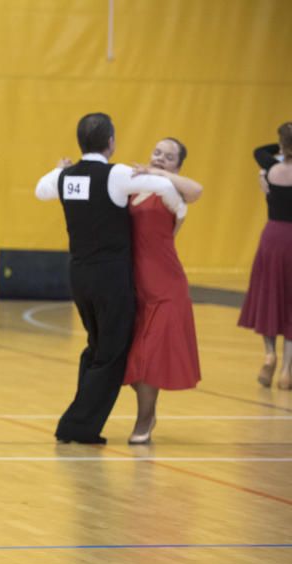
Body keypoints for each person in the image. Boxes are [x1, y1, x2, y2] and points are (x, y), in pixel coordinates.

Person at [35, 113, 187, 444]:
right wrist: (179, 212)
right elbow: (163, 186)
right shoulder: (115, 174)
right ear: (111, 143)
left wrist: (59, 170)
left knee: (96, 348)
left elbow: (40, 190)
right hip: (110, 278)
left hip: (79, 276)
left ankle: (79, 423)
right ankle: (77, 426)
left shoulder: (67, 178)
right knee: (111, 354)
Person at [122, 138, 204, 444]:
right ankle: (148, 412)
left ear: (178, 166)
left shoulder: (174, 193)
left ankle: (144, 420)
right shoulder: (132, 186)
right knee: (128, 361)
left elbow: (197, 190)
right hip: (133, 286)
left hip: (166, 287)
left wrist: (161, 174)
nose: (160, 158)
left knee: (150, 359)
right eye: (157, 153)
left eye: (169, 157)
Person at [238, 122, 292, 390]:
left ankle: (269, 354)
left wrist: (281, 149)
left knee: (271, 295)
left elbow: (260, 150)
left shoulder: (270, 169)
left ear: (281, 144)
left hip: (272, 237)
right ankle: (286, 371)